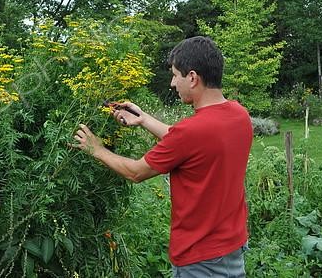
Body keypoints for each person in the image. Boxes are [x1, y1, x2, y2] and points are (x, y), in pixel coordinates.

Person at [73, 36, 253, 277]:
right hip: (232, 248)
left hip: (200, 259)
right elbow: (190, 142)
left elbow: (136, 172)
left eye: (175, 75)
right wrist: (144, 119)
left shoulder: (191, 132)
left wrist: (97, 149)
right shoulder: (239, 115)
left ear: (192, 77)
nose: (171, 83)